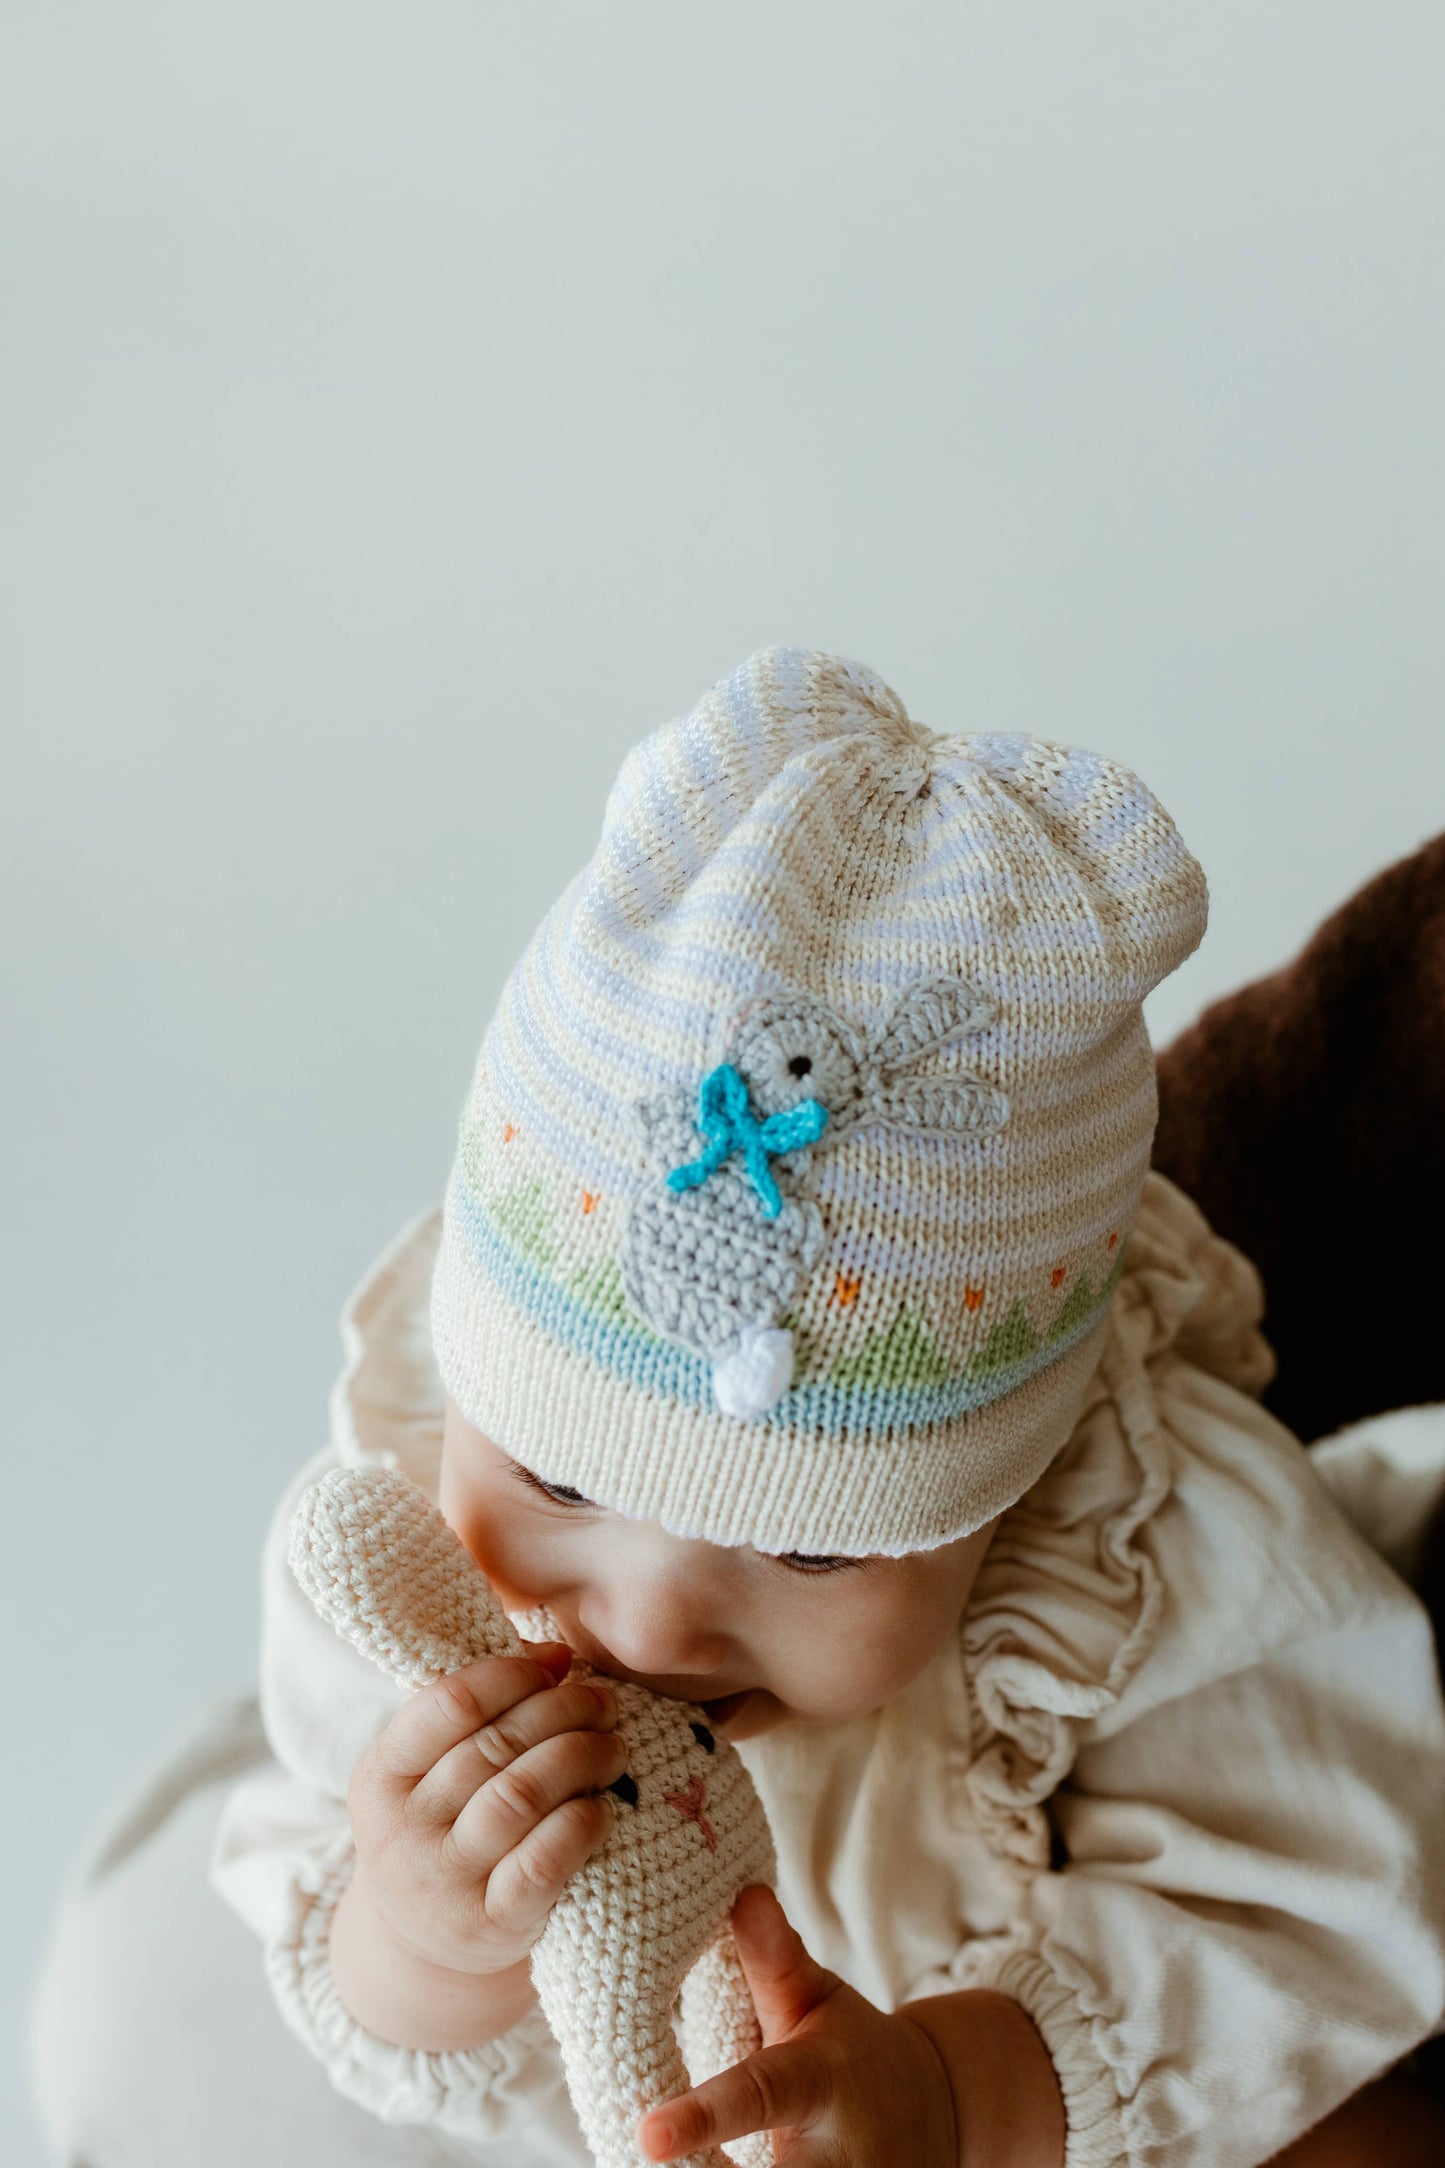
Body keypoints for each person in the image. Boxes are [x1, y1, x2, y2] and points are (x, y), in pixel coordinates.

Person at [29, 650, 1445, 2167]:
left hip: (1054, 2115)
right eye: (561, 1483)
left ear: (1018, 1484)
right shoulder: (409, 1544)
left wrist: (952, 2097)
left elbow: (1309, 1924)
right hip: (617, 2111)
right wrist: (424, 1934)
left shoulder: (1145, 1557)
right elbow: (351, 1955)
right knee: (147, 1999)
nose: (647, 1624)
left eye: (814, 1550)